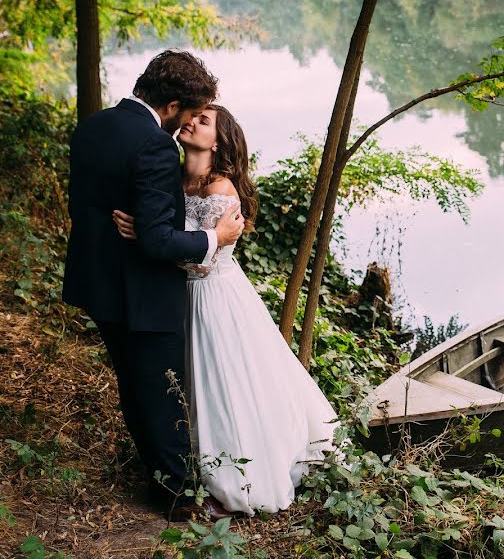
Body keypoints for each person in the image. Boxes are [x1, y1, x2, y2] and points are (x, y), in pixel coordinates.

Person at [113, 105, 339, 516]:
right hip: (178, 295)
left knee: (222, 383)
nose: (192, 122)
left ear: (217, 142)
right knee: (189, 382)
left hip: (213, 296)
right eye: (192, 116)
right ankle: (186, 464)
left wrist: (146, 238)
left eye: (204, 121)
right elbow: (167, 235)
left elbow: (203, 260)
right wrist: (148, 234)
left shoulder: (222, 190)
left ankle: (236, 478)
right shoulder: (175, 179)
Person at [62, 50, 245, 521]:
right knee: (163, 392)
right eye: (190, 111)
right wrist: (215, 237)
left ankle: (157, 477)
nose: (188, 122)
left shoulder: (92, 126)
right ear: (174, 104)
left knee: (133, 384)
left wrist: (139, 227)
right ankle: (180, 498)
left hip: (97, 283)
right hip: (144, 292)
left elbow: (87, 207)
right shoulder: (155, 145)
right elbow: (160, 240)